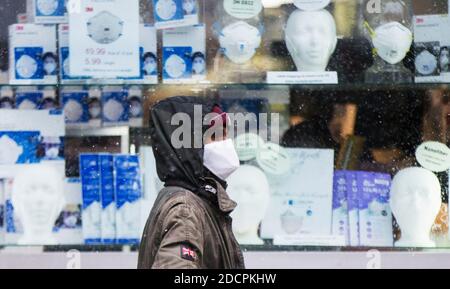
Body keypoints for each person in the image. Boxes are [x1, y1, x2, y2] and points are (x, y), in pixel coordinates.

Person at [138, 96, 245, 269]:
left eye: (226, 134)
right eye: (217, 135)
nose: (226, 143)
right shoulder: (185, 210)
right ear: (190, 146)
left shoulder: (192, 197)